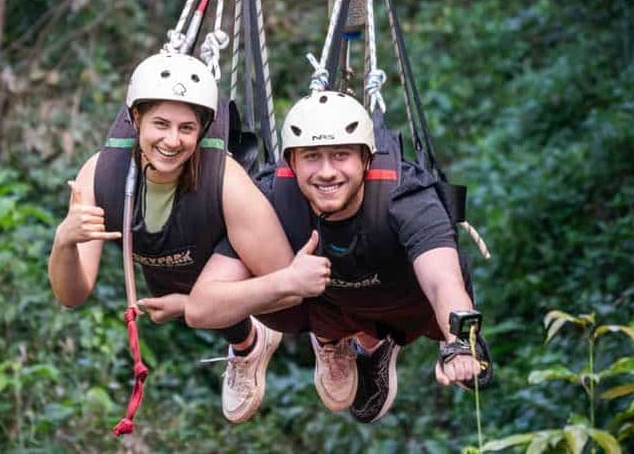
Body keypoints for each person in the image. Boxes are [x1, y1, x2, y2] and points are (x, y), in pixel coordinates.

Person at [48, 52, 326, 424]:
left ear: (202, 131)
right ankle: (246, 343)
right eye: (160, 124)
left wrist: (195, 305)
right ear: (135, 120)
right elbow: (71, 295)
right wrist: (64, 241)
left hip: (228, 253)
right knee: (177, 289)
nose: (172, 141)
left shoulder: (226, 181)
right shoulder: (99, 176)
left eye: (186, 129)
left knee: (211, 301)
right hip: (166, 262)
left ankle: (259, 339)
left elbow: (284, 286)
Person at [186, 90, 492, 423]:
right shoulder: (272, 199)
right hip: (330, 303)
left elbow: (441, 280)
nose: (327, 172)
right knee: (278, 298)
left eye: (341, 155)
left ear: (366, 160)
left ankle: (377, 343)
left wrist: (459, 341)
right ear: (291, 162)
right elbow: (201, 307)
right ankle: (334, 340)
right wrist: (284, 281)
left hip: (404, 299)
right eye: (312, 156)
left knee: (444, 298)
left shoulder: (407, 196)